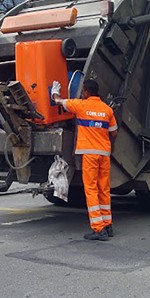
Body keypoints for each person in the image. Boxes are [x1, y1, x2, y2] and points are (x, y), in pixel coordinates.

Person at [52, 79, 118, 241]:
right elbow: (114, 132)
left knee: (91, 189)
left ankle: (98, 229)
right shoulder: (107, 110)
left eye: (83, 91)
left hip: (90, 155)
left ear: (87, 92)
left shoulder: (81, 105)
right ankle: (107, 224)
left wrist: (55, 91)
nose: (82, 93)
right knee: (104, 189)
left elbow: (58, 102)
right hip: (104, 154)